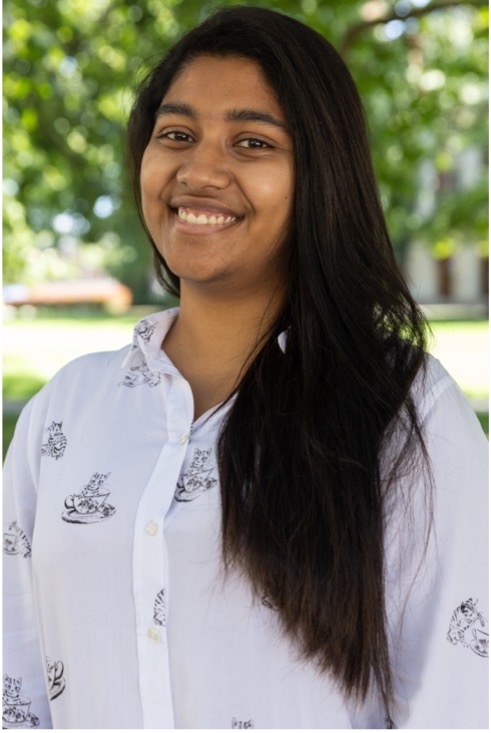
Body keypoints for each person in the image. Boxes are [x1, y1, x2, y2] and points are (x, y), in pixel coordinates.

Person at [3, 6, 488, 729]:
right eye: (176, 134)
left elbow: (460, 697)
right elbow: (17, 684)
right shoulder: (65, 411)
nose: (199, 170)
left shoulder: (401, 410)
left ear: (320, 177)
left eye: (252, 141)